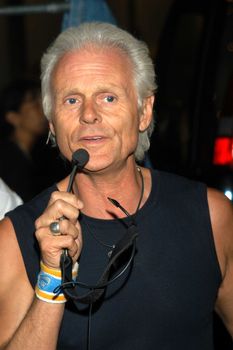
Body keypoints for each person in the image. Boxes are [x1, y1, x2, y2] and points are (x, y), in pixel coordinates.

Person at [0, 22, 232, 350]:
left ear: (144, 111)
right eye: (71, 101)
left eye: (108, 97)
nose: (89, 115)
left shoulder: (212, 216)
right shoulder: (15, 238)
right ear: (52, 123)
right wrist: (51, 275)